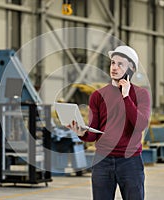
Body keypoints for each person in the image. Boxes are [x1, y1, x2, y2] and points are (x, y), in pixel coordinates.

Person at [67, 45, 151, 200]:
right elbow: (94, 132)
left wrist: (126, 97)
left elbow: (140, 125)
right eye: (113, 63)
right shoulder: (98, 96)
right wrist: (82, 134)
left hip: (130, 162)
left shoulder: (141, 94)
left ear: (131, 68)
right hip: (102, 161)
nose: (114, 67)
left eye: (120, 64)